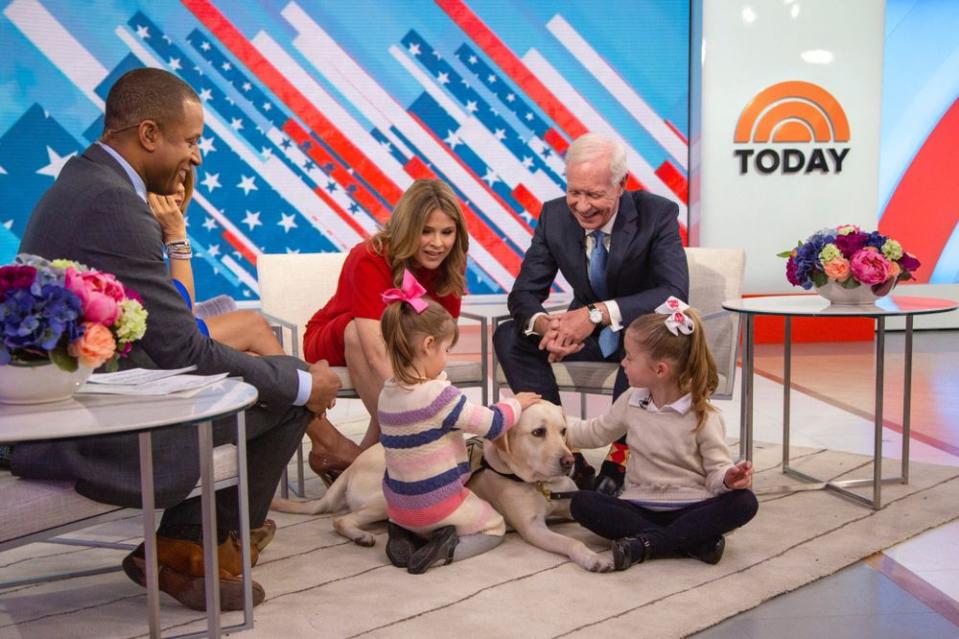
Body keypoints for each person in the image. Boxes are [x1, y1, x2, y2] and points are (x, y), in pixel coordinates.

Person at [12, 68, 340, 611]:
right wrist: (304, 382)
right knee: (286, 398)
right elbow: (184, 348)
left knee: (275, 381)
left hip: (88, 400)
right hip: (87, 430)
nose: (198, 156)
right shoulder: (113, 205)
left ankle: (199, 543)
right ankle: (191, 545)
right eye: (190, 141)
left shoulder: (89, 181)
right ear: (148, 135)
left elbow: (168, 329)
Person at [493, 132, 689, 494]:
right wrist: (546, 325)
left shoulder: (657, 213)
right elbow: (524, 293)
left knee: (639, 352)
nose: (582, 206)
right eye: (575, 193)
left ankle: (618, 465)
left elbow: (674, 293)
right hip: (590, 336)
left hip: (641, 332)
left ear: (621, 185)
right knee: (509, 334)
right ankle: (567, 455)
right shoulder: (553, 215)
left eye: (594, 195)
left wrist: (595, 315)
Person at [565, 298, 758, 569]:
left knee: (745, 502)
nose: (623, 363)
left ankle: (646, 544)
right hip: (638, 505)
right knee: (582, 503)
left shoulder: (704, 415)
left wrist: (729, 478)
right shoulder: (631, 400)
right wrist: (553, 425)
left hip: (691, 506)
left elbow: (716, 473)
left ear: (659, 370)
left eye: (630, 358)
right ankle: (692, 542)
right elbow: (594, 433)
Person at [302, 178, 468, 480]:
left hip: (397, 343)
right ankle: (405, 446)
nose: (438, 243)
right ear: (407, 228)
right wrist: (419, 415)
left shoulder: (450, 262)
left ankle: (359, 466)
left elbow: (438, 342)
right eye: (426, 231)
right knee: (357, 333)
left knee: (418, 347)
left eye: (447, 232)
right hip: (338, 339)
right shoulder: (370, 256)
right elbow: (376, 350)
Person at [376, 272, 541, 574]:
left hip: (398, 507)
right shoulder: (438, 395)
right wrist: (517, 404)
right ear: (428, 345)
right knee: (494, 526)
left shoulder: (387, 392)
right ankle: (444, 549)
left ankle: (401, 532)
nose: (447, 358)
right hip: (436, 504)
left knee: (410, 506)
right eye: (446, 350)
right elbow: (490, 424)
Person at [148, 168, 285, 356]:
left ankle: (300, 379)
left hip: (169, 334)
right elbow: (182, 323)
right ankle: (303, 381)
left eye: (183, 182)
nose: (181, 189)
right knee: (253, 324)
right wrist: (176, 235)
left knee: (252, 355)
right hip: (156, 343)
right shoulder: (138, 230)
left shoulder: (153, 231)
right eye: (174, 179)